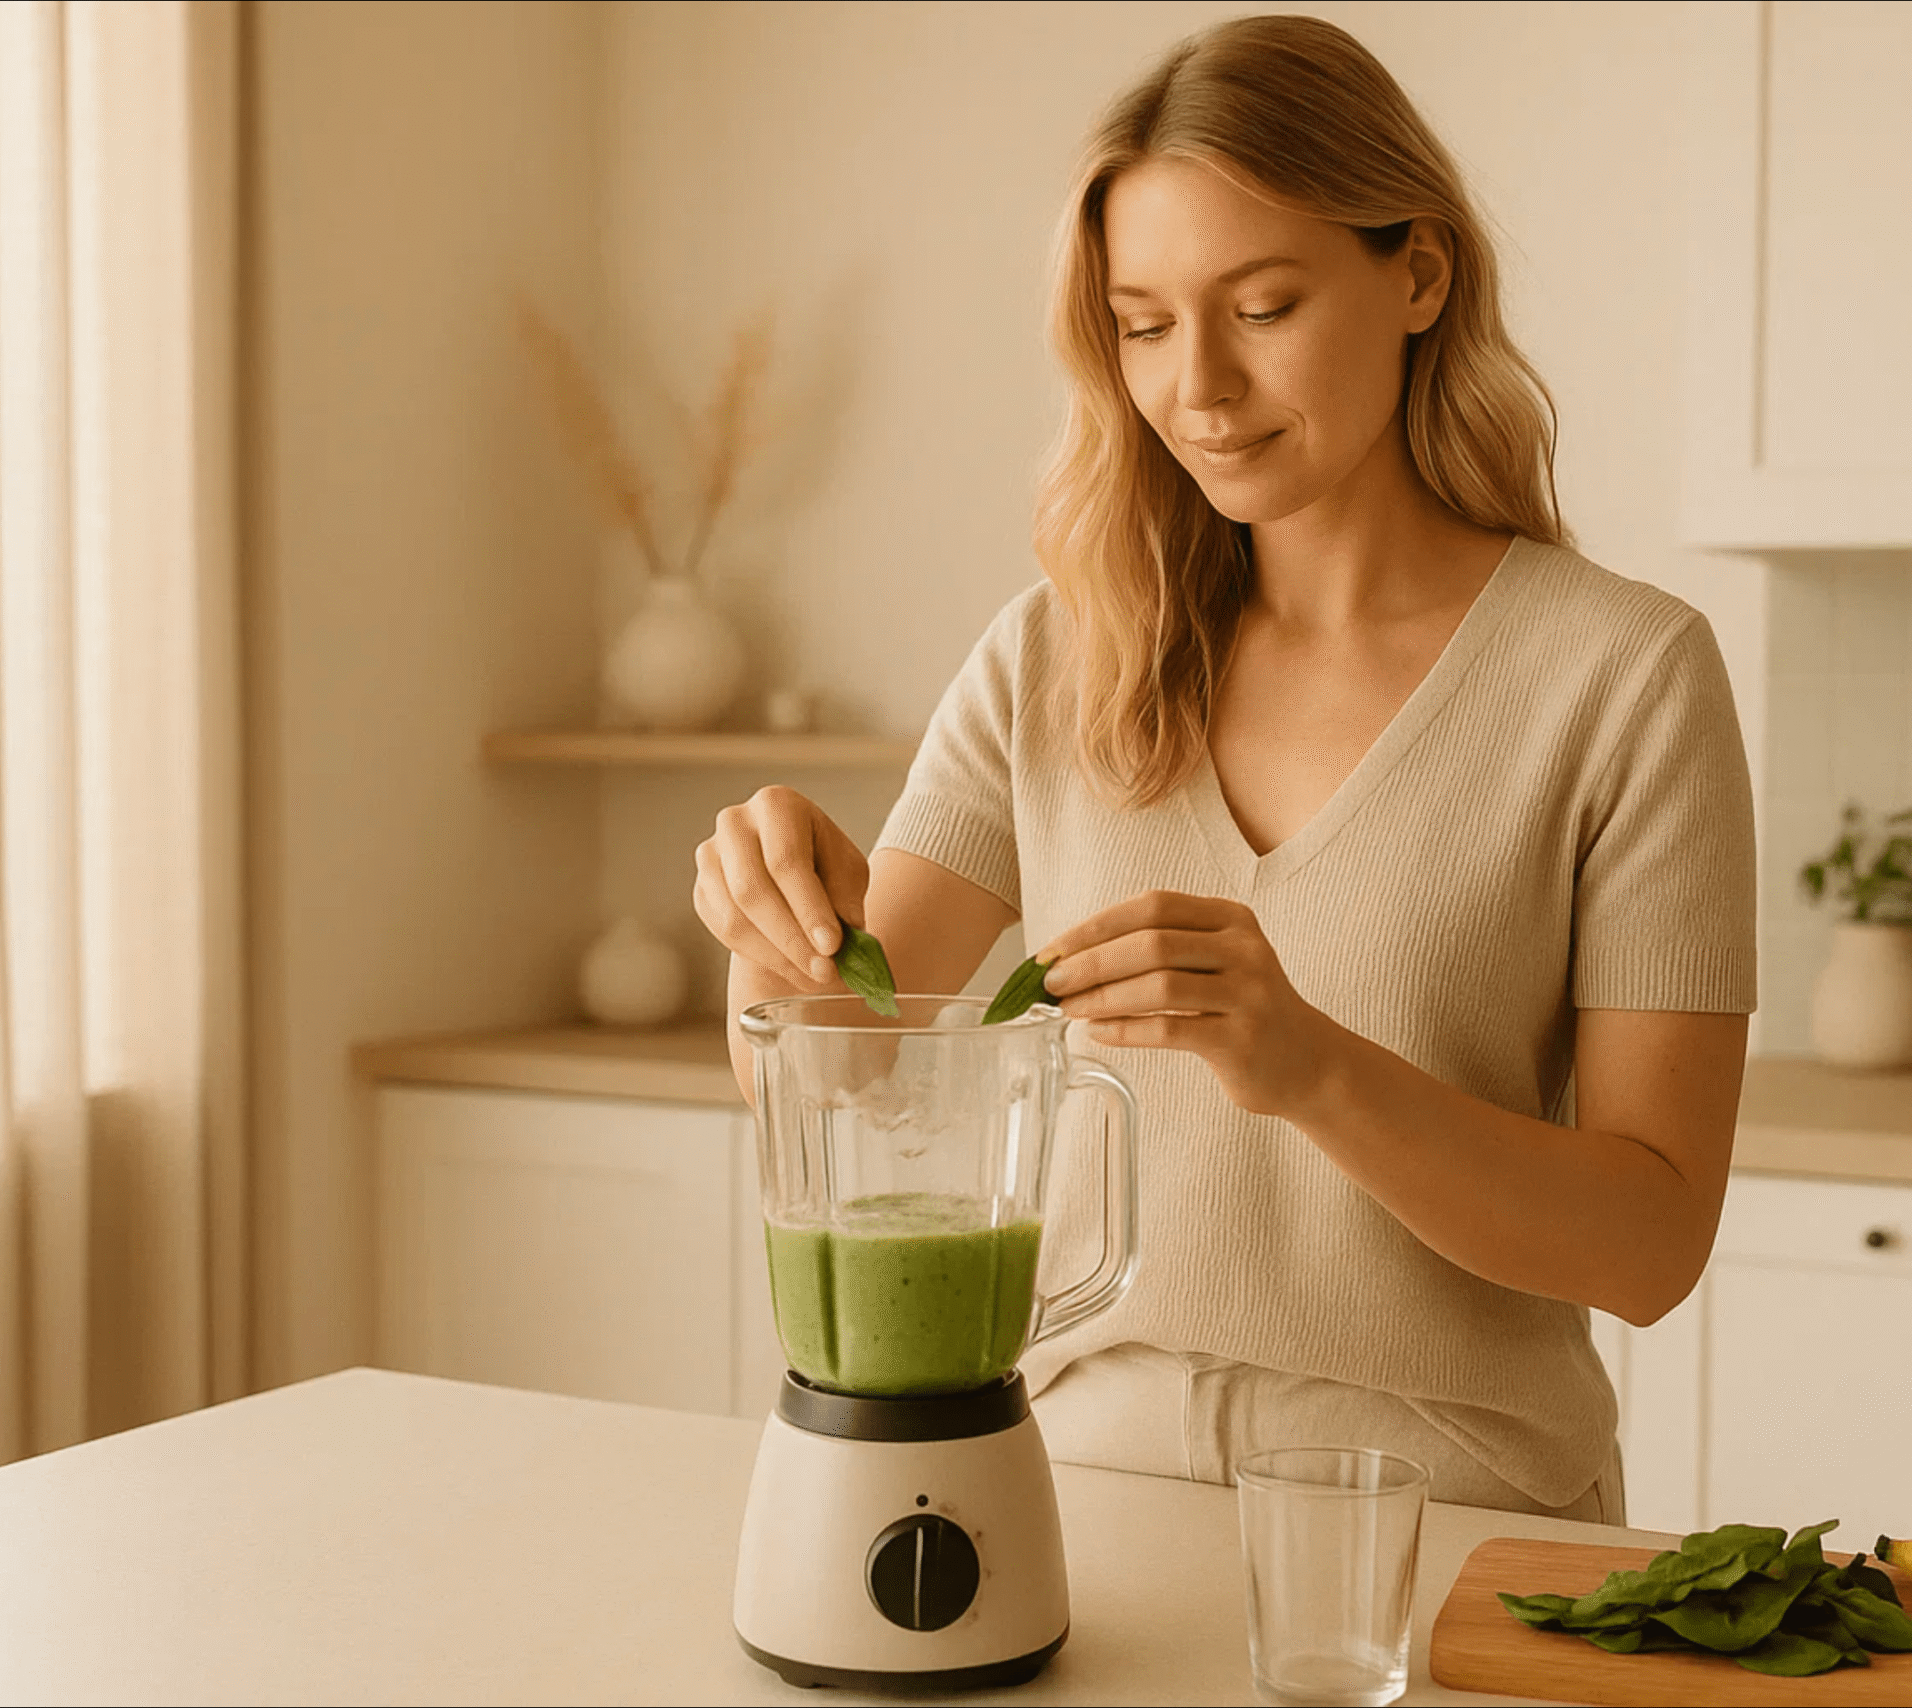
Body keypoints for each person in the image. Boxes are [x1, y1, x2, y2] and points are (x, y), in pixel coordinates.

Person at [692, 13, 1754, 1522]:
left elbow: (1649, 1246)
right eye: (1141, 324)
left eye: (1262, 305)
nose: (1198, 385)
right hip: (1072, 1493)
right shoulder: (1054, 657)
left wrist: (1308, 1066)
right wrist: (773, 933)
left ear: (1419, 275)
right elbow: (847, 1079)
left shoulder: (1623, 676)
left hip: (1451, 1519)